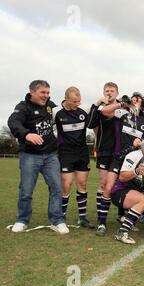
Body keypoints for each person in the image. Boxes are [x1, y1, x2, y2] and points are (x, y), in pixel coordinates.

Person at [8, 80, 68, 234]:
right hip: (30, 155)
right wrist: (27, 134)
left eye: (48, 93)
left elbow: (63, 110)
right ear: (32, 92)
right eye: (43, 93)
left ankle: (57, 220)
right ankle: (22, 220)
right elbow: (13, 122)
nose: (46, 96)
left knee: (56, 188)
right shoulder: (23, 107)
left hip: (50, 155)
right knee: (26, 190)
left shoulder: (50, 105)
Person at [95, 92, 144, 236]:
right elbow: (104, 111)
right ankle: (101, 223)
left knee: (132, 191)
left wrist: (142, 143)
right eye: (132, 100)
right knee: (107, 188)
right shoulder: (122, 113)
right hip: (119, 158)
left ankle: (127, 218)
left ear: (142, 105)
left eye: (137, 100)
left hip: (133, 162)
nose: (134, 102)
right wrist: (122, 104)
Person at [111, 135, 144, 244]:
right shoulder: (134, 155)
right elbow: (122, 177)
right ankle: (122, 231)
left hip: (137, 193)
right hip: (120, 192)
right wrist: (136, 171)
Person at [54, 87, 94, 228]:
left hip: (82, 152)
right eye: (74, 101)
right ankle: (60, 218)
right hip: (66, 152)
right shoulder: (56, 112)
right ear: (66, 98)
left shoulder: (84, 109)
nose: (78, 103)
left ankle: (82, 218)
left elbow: (95, 123)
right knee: (66, 184)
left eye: (79, 100)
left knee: (82, 185)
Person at [87, 82, 121, 234]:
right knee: (103, 184)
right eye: (107, 90)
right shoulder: (100, 109)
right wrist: (96, 104)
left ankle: (122, 215)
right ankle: (102, 220)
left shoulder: (121, 108)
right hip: (104, 151)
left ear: (117, 93)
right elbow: (90, 124)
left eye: (112, 90)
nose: (109, 93)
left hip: (120, 152)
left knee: (121, 184)